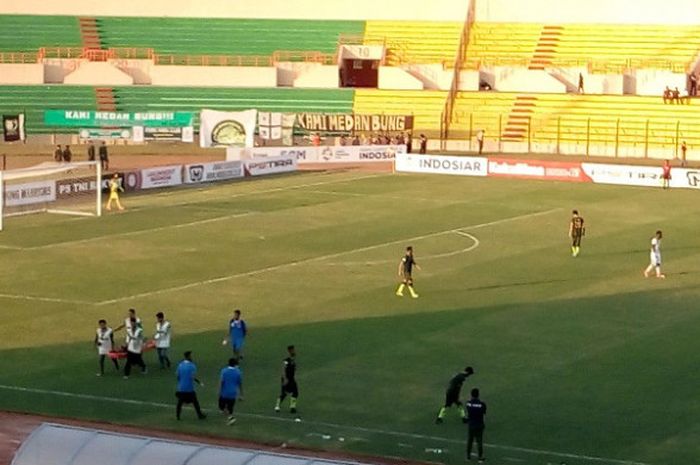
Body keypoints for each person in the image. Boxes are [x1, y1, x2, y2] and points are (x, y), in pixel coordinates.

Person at [176, 351, 206, 420]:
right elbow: (192, 377)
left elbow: (178, 376)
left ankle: (178, 416)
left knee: (179, 403)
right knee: (195, 403)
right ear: (189, 356)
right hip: (189, 388)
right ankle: (200, 415)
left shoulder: (180, 365)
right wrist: (198, 382)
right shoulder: (192, 366)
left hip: (181, 388)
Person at [219, 357, 243, 425]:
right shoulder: (238, 372)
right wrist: (241, 394)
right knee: (230, 407)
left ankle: (230, 417)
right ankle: (230, 418)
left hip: (224, 392)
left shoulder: (224, 371)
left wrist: (219, 390)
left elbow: (222, 382)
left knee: (221, 407)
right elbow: (240, 384)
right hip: (233, 393)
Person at [275, 345, 298, 414]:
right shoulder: (286, 360)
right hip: (286, 378)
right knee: (284, 393)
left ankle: (292, 407)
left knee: (295, 392)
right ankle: (277, 406)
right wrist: (285, 378)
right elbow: (283, 368)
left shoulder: (293, 358)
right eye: (293, 350)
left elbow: (294, 368)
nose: (294, 351)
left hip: (291, 378)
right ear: (290, 351)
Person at [466, 388, 487, 463]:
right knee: (479, 441)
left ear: (471, 395)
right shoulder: (482, 404)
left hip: (471, 424)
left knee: (470, 440)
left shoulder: (468, 403)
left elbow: (468, 412)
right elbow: (484, 414)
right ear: (478, 395)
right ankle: (480, 457)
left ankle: (468, 456)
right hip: (479, 424)